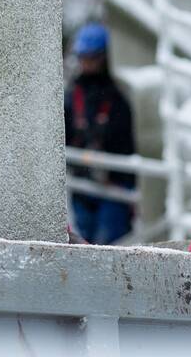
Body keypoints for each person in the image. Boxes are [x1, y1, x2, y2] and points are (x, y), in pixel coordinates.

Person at [64, 22, 136, 244]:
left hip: (113, 190)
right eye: (83, 57)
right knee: (85, 246)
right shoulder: (71, 97)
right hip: (82, 188)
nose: (86, 63)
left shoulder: (118, 99)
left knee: (107, 246)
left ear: (104, 57)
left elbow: (127, 145)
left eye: (92, 57)